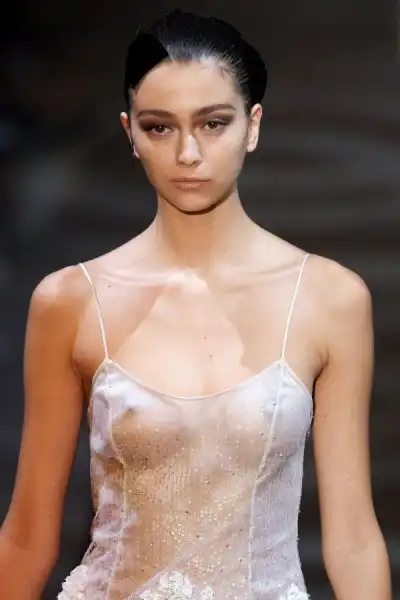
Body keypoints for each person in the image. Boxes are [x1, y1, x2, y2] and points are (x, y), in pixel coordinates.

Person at [0, 9, 391, 600]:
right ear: (130, 134)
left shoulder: (330, 298)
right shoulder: (70, 301)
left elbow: (354, 539)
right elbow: (28, 538)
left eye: (213, 123)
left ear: (252, 126)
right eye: (160, 127)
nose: (188, 152)